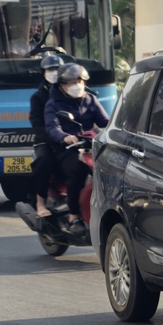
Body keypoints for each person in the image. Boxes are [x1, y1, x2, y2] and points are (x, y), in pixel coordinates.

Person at [43, 63, 109, 235]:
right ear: (62, 85)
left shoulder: (90, 99)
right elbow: (52, 127)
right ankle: (74, 216)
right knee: (77, 171)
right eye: (73, 82)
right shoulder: (53, 104)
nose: (77, 85)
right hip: (67, 148)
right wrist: (64, 136)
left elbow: (104, 122)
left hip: (89, 146)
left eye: (80, 81)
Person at [28, 55, 64, 217]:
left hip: (71, 139)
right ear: (43, 73)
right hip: (46, 141)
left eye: (57, 69)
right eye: (51, 70)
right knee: (44, 162)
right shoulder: (38, 97)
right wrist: (56, 137)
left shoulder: (72, 92)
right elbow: (37, 125)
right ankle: (40, 202)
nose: (54, 73)